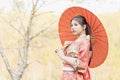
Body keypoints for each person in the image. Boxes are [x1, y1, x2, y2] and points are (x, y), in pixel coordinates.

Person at [55, 15, 92, 80]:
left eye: (75, 25)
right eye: (71, 25)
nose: (73, 27)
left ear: (84, 27)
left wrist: (63, 57)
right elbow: (68, 60)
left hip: (75, 76)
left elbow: (82, 64)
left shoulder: (85, 42)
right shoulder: (73, 43)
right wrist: (64, 49)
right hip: (66, 75)